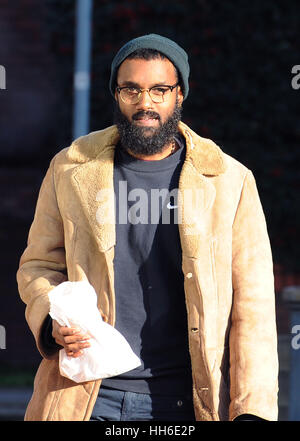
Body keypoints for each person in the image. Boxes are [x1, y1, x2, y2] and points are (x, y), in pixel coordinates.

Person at [17, 34, 278, 421]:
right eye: (131, 90)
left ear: (180, 95)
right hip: (87, 396)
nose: (145, 103)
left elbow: (253, 306)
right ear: (116, 94)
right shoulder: (71, 170)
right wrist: (51, 318)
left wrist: (252, 409)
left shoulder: (228, 181)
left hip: (187, 401)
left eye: (160, 90)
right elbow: (38, 265)